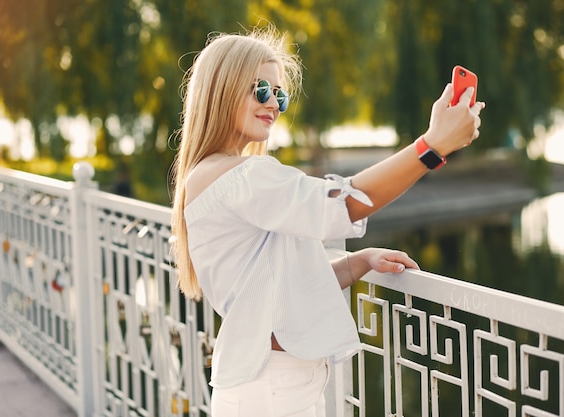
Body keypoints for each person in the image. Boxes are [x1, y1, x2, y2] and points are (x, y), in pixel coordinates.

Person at [170, 25, 484, 417]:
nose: (273, 104)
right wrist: (431, 146)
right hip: (272, 390)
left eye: (279, 95)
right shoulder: (242, 175)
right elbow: (344, 202)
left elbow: (278, 284)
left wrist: (360, 261)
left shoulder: (211, 175)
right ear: (221, 90)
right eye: (261, 90)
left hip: (267, 383)